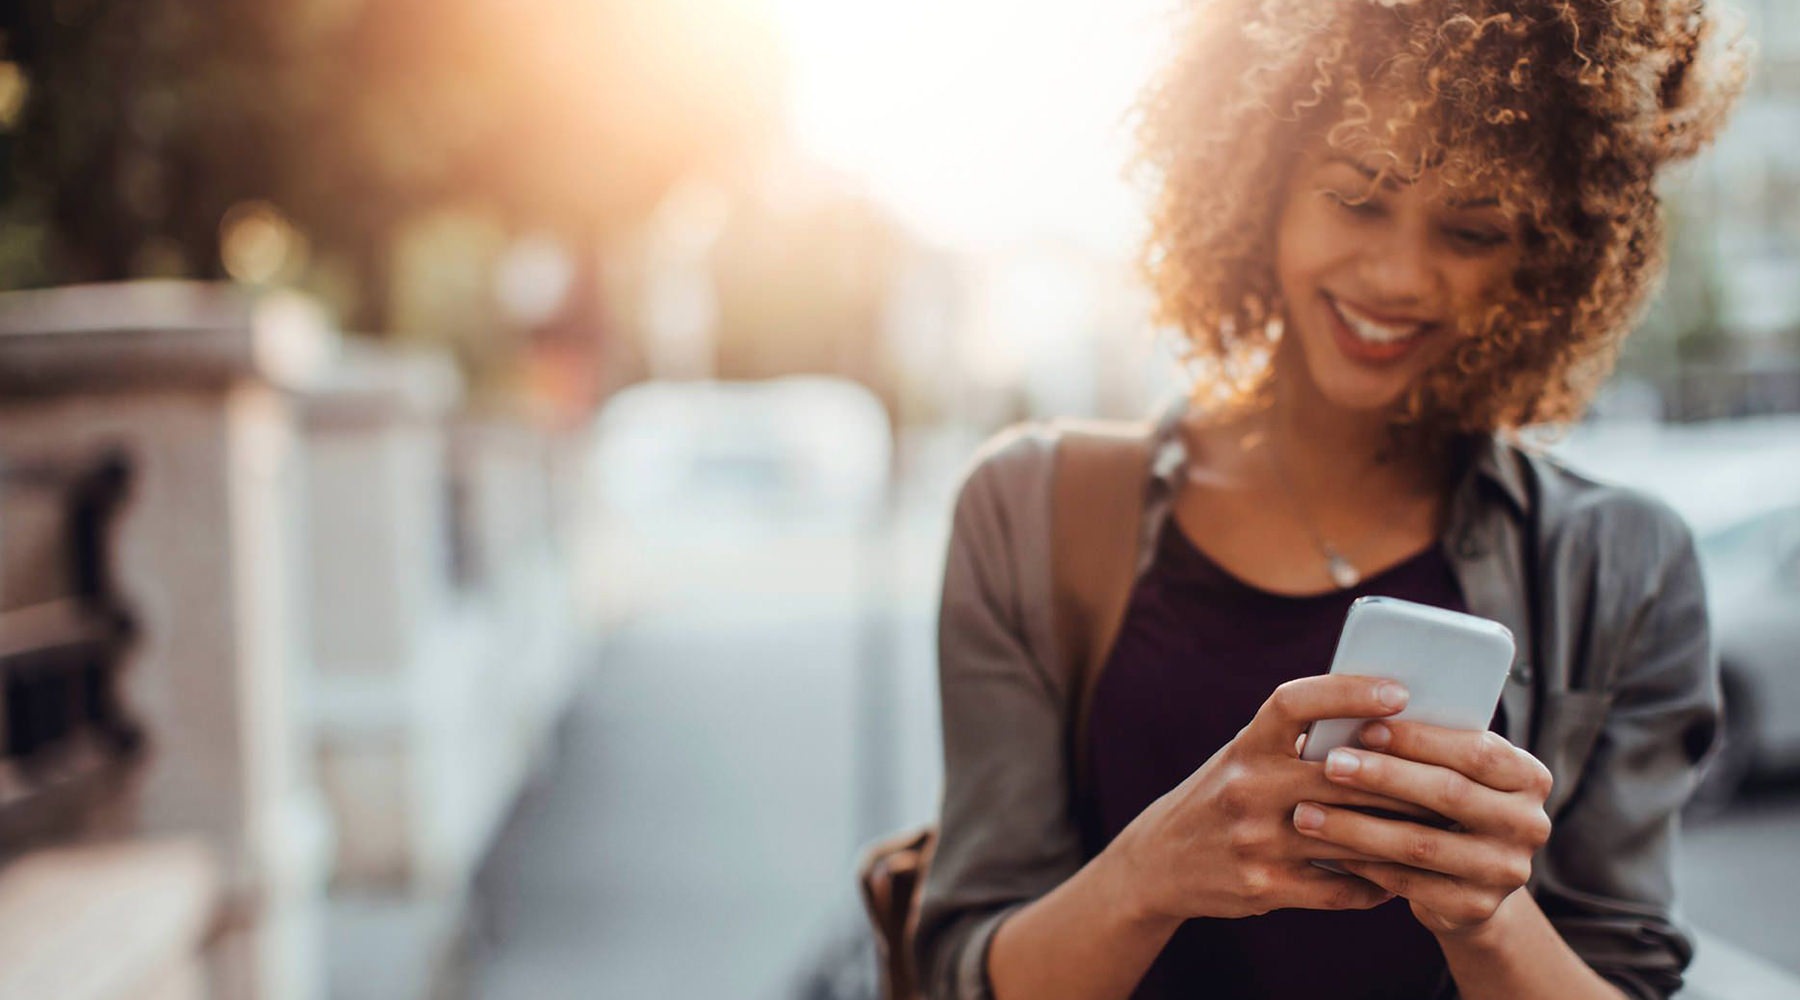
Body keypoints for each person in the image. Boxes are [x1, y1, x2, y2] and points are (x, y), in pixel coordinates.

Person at [913, 1, 1749, 998]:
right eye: (1357, 200)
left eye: (1473, 229)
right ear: (1257, 182)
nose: (1398, 275)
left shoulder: (1625, 566)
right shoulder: (1031, 511)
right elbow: (961, 972)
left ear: (1548, 259)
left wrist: (1487, 915)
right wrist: (1153, 872)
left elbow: (1625, 972)